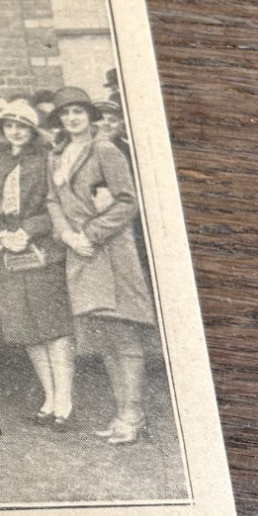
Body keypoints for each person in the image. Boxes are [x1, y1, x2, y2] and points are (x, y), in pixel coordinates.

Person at [45, 86, 156, 444]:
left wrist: (90, 234)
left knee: (122, 331)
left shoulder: (104, 149)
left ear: (90, 117)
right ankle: (122, 412)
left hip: (109, 251)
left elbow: (127, 201)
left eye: (79, 112)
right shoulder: (57, 155)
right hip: (79, 253)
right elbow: (52, 201)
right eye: (66, 113)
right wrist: (67, 235)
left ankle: (132, 414)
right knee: (105, 337)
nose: (72, 119)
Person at [0, 99, 76, 430]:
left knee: (52, 326)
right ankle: (49, 397)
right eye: (9, 126)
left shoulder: (46, 160)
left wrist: (29, 230)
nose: (15, 132)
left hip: (42, 253)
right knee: (27, 329)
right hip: (8, 254)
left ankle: (64, 400)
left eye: (21, 126)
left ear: (32, 131)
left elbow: (57, 206)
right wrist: (0, 235)